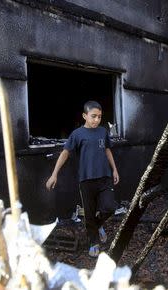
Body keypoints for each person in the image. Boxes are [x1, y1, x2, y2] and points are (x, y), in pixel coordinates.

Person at [46, 100, 119, 257]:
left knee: (110, 207)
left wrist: (114, 170)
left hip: (105, 177)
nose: (96, 120)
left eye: (99, 117)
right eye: (93, 116)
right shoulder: (77, 134)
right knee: (90, 213)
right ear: (84, 116)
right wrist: (54, 174)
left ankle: (97, 225)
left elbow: (107, 150)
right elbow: (65, 153)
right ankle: (94, 242)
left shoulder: (103, 132)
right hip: (86, 180)